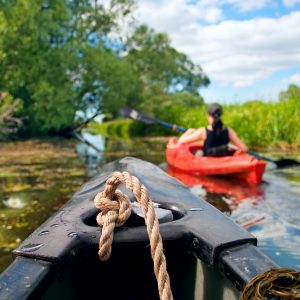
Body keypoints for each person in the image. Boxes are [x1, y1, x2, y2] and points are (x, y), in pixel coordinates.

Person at [178, 103, 248, 156]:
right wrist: (236, 153)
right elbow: (244, 148)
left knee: (198, 152)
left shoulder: (203, 131)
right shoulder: (229, 131)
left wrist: (189, 131)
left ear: (208, 115)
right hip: (224, 159)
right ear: (220, 115)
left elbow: (181, 141)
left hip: (208, 159)